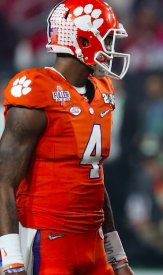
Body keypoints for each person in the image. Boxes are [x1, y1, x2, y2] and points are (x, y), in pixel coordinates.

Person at [0, 0, 133, 274]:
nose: (110, 50)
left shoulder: (102, 90)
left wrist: (117, 254)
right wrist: (11, 260)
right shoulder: (36, 91)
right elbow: (3, 181)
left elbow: (94, 177)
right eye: (107, 39)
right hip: (50, 240)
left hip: (93, 240)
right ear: (83, 40)